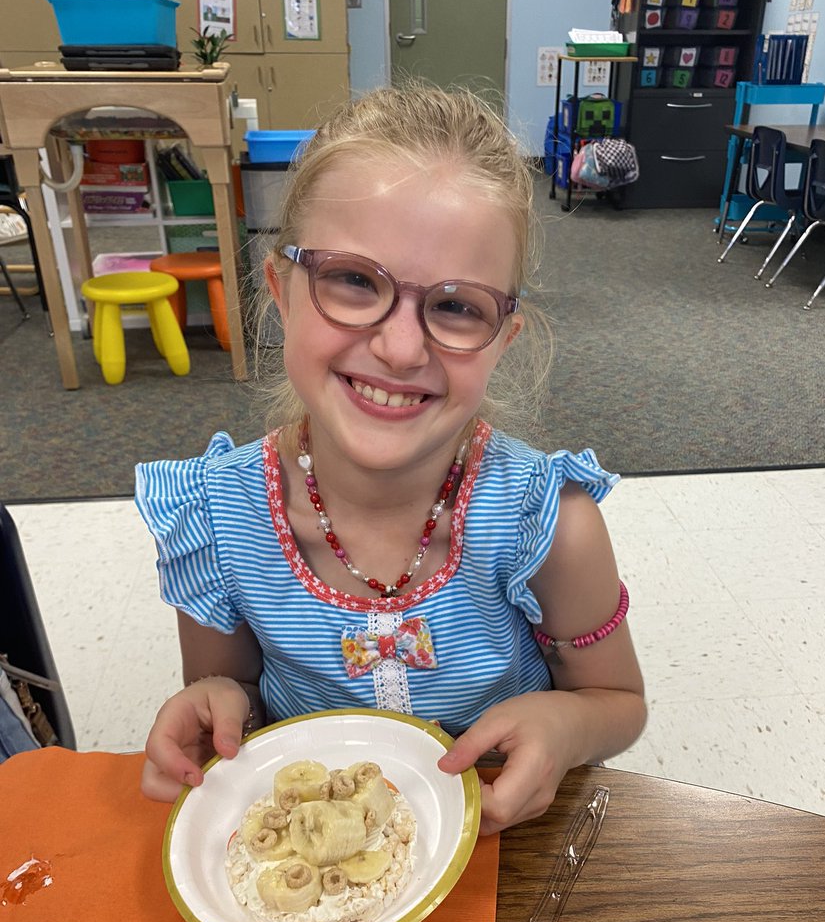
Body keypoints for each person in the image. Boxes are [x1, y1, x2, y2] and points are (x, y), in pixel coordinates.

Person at [135, 83, 645, 834]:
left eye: (457, 306)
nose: (401, 347)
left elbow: (619, 705)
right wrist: (218, 704)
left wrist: (568, 726)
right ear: (280, 289)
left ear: (502, 341)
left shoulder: (548, 526)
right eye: (351, 280)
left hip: (501, 854)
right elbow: (227, 682)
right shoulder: (217, 521)